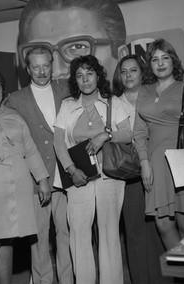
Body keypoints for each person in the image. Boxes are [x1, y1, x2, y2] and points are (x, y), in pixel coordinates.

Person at [54, 55, 132, 284]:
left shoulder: (113, 103)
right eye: (79, 75)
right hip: (79, 178)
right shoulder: (67, 106)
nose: (85, 79)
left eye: (89, 73)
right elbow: (59, 142)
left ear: (98, 76)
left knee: (109, 234)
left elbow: (127, 134)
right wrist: (70, 169)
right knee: (78, 235)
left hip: (110, 176)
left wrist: (105, 135)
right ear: (75, 81)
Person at [0, 69, 51, 284]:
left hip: (17, 189)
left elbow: (30, 148)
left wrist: (42, 179)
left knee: (7, 242)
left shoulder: (13, 115)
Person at [133, 39, 184, 250]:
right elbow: (139, 132)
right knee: (163, 225)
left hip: (182, 164)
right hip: (155, 166)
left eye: (165, 58)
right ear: (149, 64)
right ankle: (180, 271)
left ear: (173, 61)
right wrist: (144, 163)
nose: (160, 63)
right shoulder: (144, 91)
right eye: (155, 59)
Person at [6, 47, 73, 284]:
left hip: (66, 174)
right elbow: (14, 143)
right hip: (37, 179)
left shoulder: (66, 89)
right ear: (27, 69)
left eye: (46, 65)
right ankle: (43, 280)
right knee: (39, 238)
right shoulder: (15, 99)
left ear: (52, 64)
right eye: (36, 66)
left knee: (66, 234)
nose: (42, 71)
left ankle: (67, 280)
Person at [112, 55, 170, 284]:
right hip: (129, 173)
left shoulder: (156, 95)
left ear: (141, 72)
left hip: (159, 168)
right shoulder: (113, 103)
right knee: (134, 231)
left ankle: (164, 279)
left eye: (133, 70)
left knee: (161, 227)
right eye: (123, 71)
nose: (128, 75)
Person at [17, 0, 129, 80]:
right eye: (41, 51)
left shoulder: (143, 104)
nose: (57, 71)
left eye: (77, 47)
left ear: (121, 57)